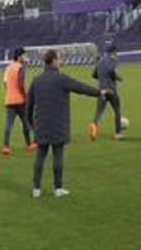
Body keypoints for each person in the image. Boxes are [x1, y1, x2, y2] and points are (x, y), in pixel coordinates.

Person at [26, 50, 109, 198]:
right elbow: (81, 88)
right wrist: (99, 93)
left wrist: (32, 125)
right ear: (53, 61)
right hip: (59, 124)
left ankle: (36, 189)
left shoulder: (36, 80)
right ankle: (58, 189)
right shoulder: (61, 79)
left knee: (40, 156)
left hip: (41, 125)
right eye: (59, 58)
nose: (61, 60)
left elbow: (29, 106)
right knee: (58, 155)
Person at [2, 48, 35, 155]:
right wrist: (25, 95)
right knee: (25, 123)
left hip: (9, 100)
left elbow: (5, 83)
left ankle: (6, 146)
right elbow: (21, 84)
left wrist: (10, 92)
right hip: (20, 100)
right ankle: (29, 144)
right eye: (24, 56)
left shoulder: (9, 67)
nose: (25, 58)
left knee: (9, 125)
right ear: (19, 56)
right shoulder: (20, 68)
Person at [89, 44, 125, 141]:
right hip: (111, 90)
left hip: (101, 90)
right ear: (114, 51)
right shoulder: (114, 60)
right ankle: (118, 133)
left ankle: (94, 127)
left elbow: (93, 74)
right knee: (117, 111)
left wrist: (101, 79)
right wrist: (117, 78)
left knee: (99, 111)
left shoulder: (100, 61)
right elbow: (111, 71)